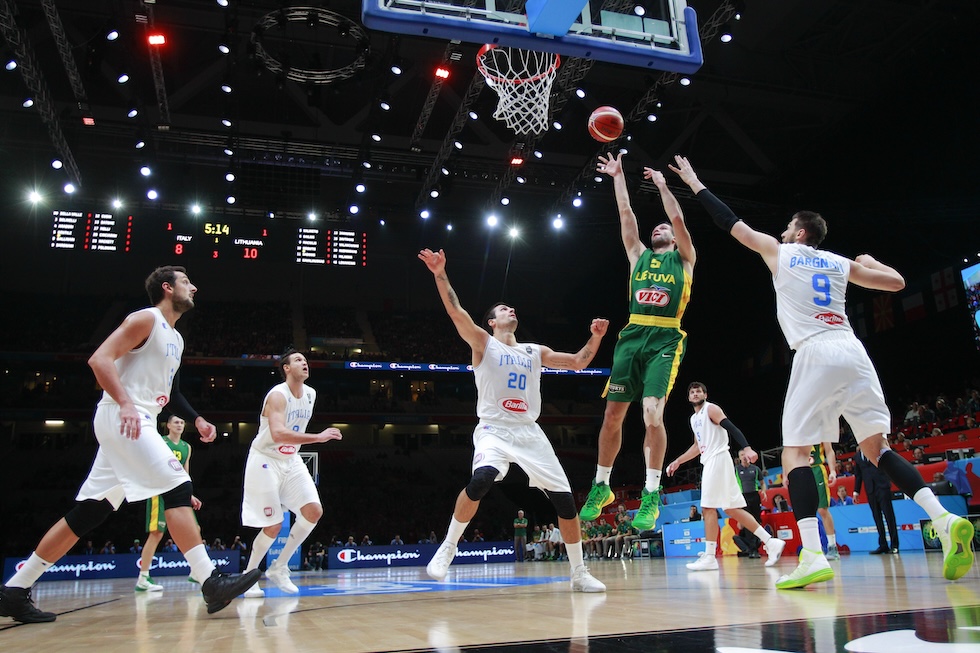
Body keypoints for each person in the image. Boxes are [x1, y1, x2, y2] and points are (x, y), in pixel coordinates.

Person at [671, 156, 975, 587]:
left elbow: (730, 223)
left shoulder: (781, 252)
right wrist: (872, 261)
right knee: (877, 449)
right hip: (853, 351)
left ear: (799, 232)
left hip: (815, 351)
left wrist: (695, 181)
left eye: (787, 227)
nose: (780, 232)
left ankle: (812, 553)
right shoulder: (838, 263)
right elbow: (897, 283)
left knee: (795, 454)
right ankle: (942, 519)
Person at [0, 266, 260, 623]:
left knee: (90, 511)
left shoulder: (177, 338)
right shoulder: (145, 319)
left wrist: (197, 418)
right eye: (187, 282)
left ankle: (15, 589)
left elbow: (173, 393)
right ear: (167, 288)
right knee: (179, 485)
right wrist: (123, 402)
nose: (194, 287)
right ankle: (210, 581)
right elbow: (99, 359)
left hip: (137, 417)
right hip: (125, 415)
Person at [418, 248, 607, 592]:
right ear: (492, 321)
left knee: (564, 501)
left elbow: (578, 362)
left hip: (529, 432)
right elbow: (455, 311)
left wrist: (595, 336)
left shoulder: (535, 351)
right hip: (493, 428)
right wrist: (439, 272)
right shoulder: (483, 343)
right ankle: (448, 548)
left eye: (512, 307)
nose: (511, 309)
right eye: (504, 309)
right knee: (483, 479)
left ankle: (579, 573)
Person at [579, 152, 696, 534]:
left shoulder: (685, 259)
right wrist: (617, 176)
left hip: (665, 336)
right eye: (657, 227)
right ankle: (602, 486)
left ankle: (650, 493)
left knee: (651, 414)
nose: (661, 228)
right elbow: (626, 215)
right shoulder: (638, 257)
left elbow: (677, 218)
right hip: (632, 335)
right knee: (613, 416)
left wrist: (663, 185)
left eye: (666, 227)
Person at [241, 348, 343, 599]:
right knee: (273, 525)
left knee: (313, 511)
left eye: (306, 361)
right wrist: (317, 437)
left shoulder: (311, 394)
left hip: (291, 459)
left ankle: (279, 567)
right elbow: (277, 433)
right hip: (265, 458)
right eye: (298, 360)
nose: (304, 363)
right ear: (286, 368)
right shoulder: (277, 395)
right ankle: (248, 576)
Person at [666, 382, 785, 571]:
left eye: (699, 391)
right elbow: (698, 447)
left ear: (705, 394)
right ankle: (770, 542)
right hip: (713, 460)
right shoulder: (693, 418)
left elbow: (731, 427)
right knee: (731, 510)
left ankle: (710, 556)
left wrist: (746, 447)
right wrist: (678, 461)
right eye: (692, 391)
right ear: (688, 397)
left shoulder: (710, 409)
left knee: (707, 507)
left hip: (718, 458)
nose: (695, 393)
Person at [135, 414, 202, 592]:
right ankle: (143, 577)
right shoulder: (160, 441)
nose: (180, 425)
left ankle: (196, 571)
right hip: (160, 491)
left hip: (179, 493)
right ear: (168, 426)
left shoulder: (187, 447)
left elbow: (185, 474)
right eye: (176, 422)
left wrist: (190, 495)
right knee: (156, 533)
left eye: (182, 422)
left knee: (195, 529)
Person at [853, 449, 899, 554]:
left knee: (889, 516)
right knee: (877, 517)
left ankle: (894, 545)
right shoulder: (858, 457)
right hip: (870, 489)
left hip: (882, 486)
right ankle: (883, 545)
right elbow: (858, 475)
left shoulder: (876, 450)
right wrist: (856, 492)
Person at [810, 442, 840, 560]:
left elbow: (829, 450)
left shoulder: (821, 426)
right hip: (801, 470)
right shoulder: (797, 428)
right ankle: (814, 548)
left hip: (817, 469)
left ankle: (832, 546)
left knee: (822, 509)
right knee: (807, 512)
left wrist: (832, 471)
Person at [734, 450, 767, 558]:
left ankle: (755, 548)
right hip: (743, 498)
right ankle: (752, 550)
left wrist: (764, 491)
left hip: (755, 496)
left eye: (745, 455)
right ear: (739, 458)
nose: (744, 457)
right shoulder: (736, 470)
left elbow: (762, 483)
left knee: (756, 521)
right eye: (741, 455)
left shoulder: (755, 469)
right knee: (748, 522)